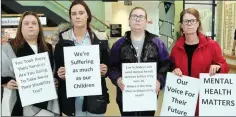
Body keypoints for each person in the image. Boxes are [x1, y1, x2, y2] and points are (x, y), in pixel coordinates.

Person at [108, 7, 171, 116]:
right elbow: (112, 67)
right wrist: (117, 79)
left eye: (141, 17)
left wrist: (159, 80)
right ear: (129, 20)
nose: (137, 19)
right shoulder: (118, 45)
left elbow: (166, 65)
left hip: (149, 95)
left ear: (146, 21)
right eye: (134, 16)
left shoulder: (157, 43)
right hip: (125, 96)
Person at [53, 0, 109, 116]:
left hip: (95, 98)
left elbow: (107, 64)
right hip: (72, 99)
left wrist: (105, 69)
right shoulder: (62, 40)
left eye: (81, 13)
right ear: (70, 17)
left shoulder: (100, 39)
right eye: (74, 14)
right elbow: (57, 66)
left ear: (87, 15)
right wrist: (59, 73)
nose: (77, 16)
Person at [170, 8, 229, 116]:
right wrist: (173, 70)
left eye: (192, 20)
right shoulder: (176, 48)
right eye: (186, 21)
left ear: (198, 23)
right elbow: (170, 67)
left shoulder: (211, 45)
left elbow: (225, 66)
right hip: (183, 100)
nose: (189, 24)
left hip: (205, 99)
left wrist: (218, 66)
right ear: (181, 25)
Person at [1, 11, 59, 116]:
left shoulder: (48, 48)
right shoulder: (8, 48)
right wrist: (6, 82)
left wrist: (55, 80)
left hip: (46, 103)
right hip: (19, 102)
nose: (30, 26)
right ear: (21, 27)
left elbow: (54, 70)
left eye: (34, 23)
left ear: (39, 27)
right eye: (26, 23)